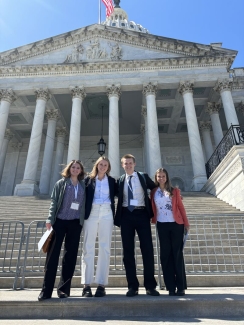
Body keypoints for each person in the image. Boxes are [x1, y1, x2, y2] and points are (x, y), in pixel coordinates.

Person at [38, 160, 86, 301]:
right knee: (52, 258)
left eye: (78, 168)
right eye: (73, 167)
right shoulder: (61, 183)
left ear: (81, 170)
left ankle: (64, 290)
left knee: (70, 258)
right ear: (69, 169)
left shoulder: (83, 185)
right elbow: (54, 201)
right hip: (59, 222)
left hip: (75, 223)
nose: (75, 169)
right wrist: (49, 219)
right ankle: (46, 291)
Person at [114, 154, 159, 297]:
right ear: (122, 165)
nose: (128, 165)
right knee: (128, 252)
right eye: (125, 163)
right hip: (126, 215)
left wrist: (173, 194)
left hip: (142, 214)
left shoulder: (143, 176)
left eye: (130, 163)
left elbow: (156, 188)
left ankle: (150, 286)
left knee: (147, 250)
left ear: (134, 164)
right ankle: (132, 286)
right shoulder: (120, 180)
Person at [150, 168, 190, 296]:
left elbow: (180, 208)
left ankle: (181, 286)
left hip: (176, 224)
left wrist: (186, 223)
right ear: (156, 178)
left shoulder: (174, 191)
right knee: (165, 255)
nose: (161, 178)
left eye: (163, 176)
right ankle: (170, 286)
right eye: (159, 176)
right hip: (162, 224)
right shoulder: (154, 192)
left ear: (167, 177)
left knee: (177, 254)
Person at [81, 156, 116, 297]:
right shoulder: (88, 180)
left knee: (105, 248)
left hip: (107, 213)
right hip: (92, 213)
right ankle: (86, 285)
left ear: (108, 167)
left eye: (105, 165)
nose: (103, 167)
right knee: (87, 247)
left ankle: (101, 285)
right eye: (101, 164)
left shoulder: (113, 181)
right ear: (96, 165)